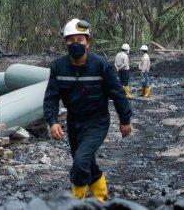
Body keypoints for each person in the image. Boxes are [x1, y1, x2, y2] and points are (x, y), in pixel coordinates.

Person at [43, 18, 132, 201]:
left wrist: (125, 120)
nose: (75, 44)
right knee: (87, 162)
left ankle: (76, 202)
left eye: (80, 40)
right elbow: (51, 96)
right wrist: (52, 121)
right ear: (65, 43)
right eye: (71, 40)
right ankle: (101, 197)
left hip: (97, 122)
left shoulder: (101, 65)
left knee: (80, 162)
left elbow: (117, 93)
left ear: (88, 43)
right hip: (74, 122)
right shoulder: (58, 67)